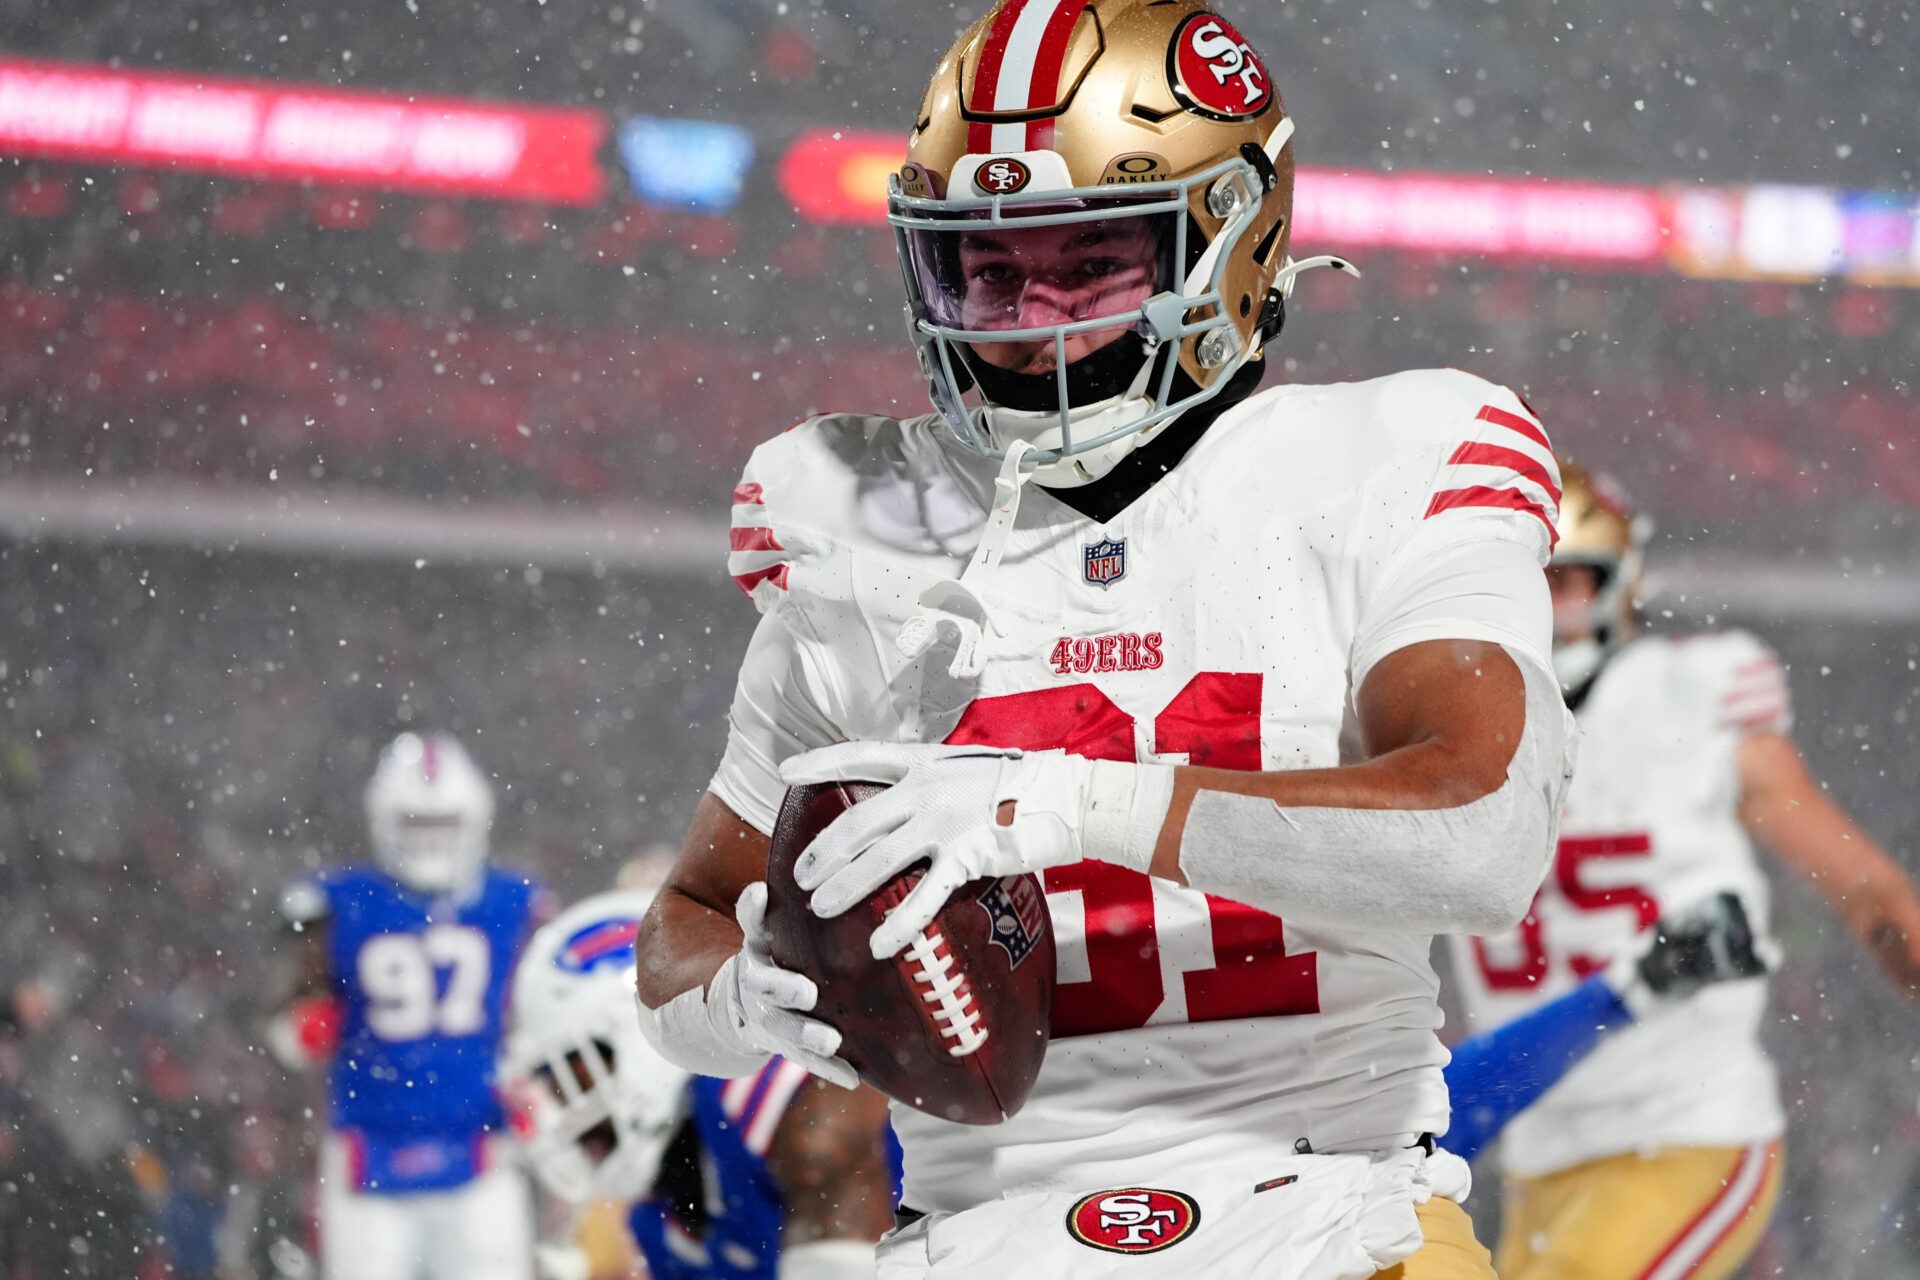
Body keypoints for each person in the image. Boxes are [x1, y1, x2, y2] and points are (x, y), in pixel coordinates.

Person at [632, 1, 1575, 1275]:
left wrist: (1077, 805)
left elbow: (1482, 835)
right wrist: (741, 996)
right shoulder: (854, 520)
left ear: (1233, 239)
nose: (1031, 315)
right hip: (978, 1233)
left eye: (1091, 262)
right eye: (990, 266)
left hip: (1330, 1210)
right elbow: (688, 915)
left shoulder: (1388, 460)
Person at [1445, 463, 1920, 1279]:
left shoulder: (1686, 696)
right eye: (1522, 584)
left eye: (1566, 581)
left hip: (1685, 1124)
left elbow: (1871, 891)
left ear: (1619, 583)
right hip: (1533, 1148)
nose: (1544, 609)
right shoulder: (1434, 730)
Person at [505, 889, 895, 1280]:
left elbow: (831, 1152)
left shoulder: (760, 1101)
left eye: (574, 1080)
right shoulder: (660, 1223)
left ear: (638, 1034)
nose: (568, 1114)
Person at [270, 731, 545, 1280]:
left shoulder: (517, 903)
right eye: (417, 824)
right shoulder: (337, 905)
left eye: (442, 824)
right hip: (368, 1152)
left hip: (481, 1147)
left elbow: (538, 1019)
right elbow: (284, 1028)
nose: (430, 840)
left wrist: (534, 1082)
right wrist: (304, 1026)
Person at [1440, 891, 1770, 1164]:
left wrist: (1628, 988)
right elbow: (1434, 1120)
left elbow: (1435, 1115)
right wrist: (1627, 988)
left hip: (1669, 1120)